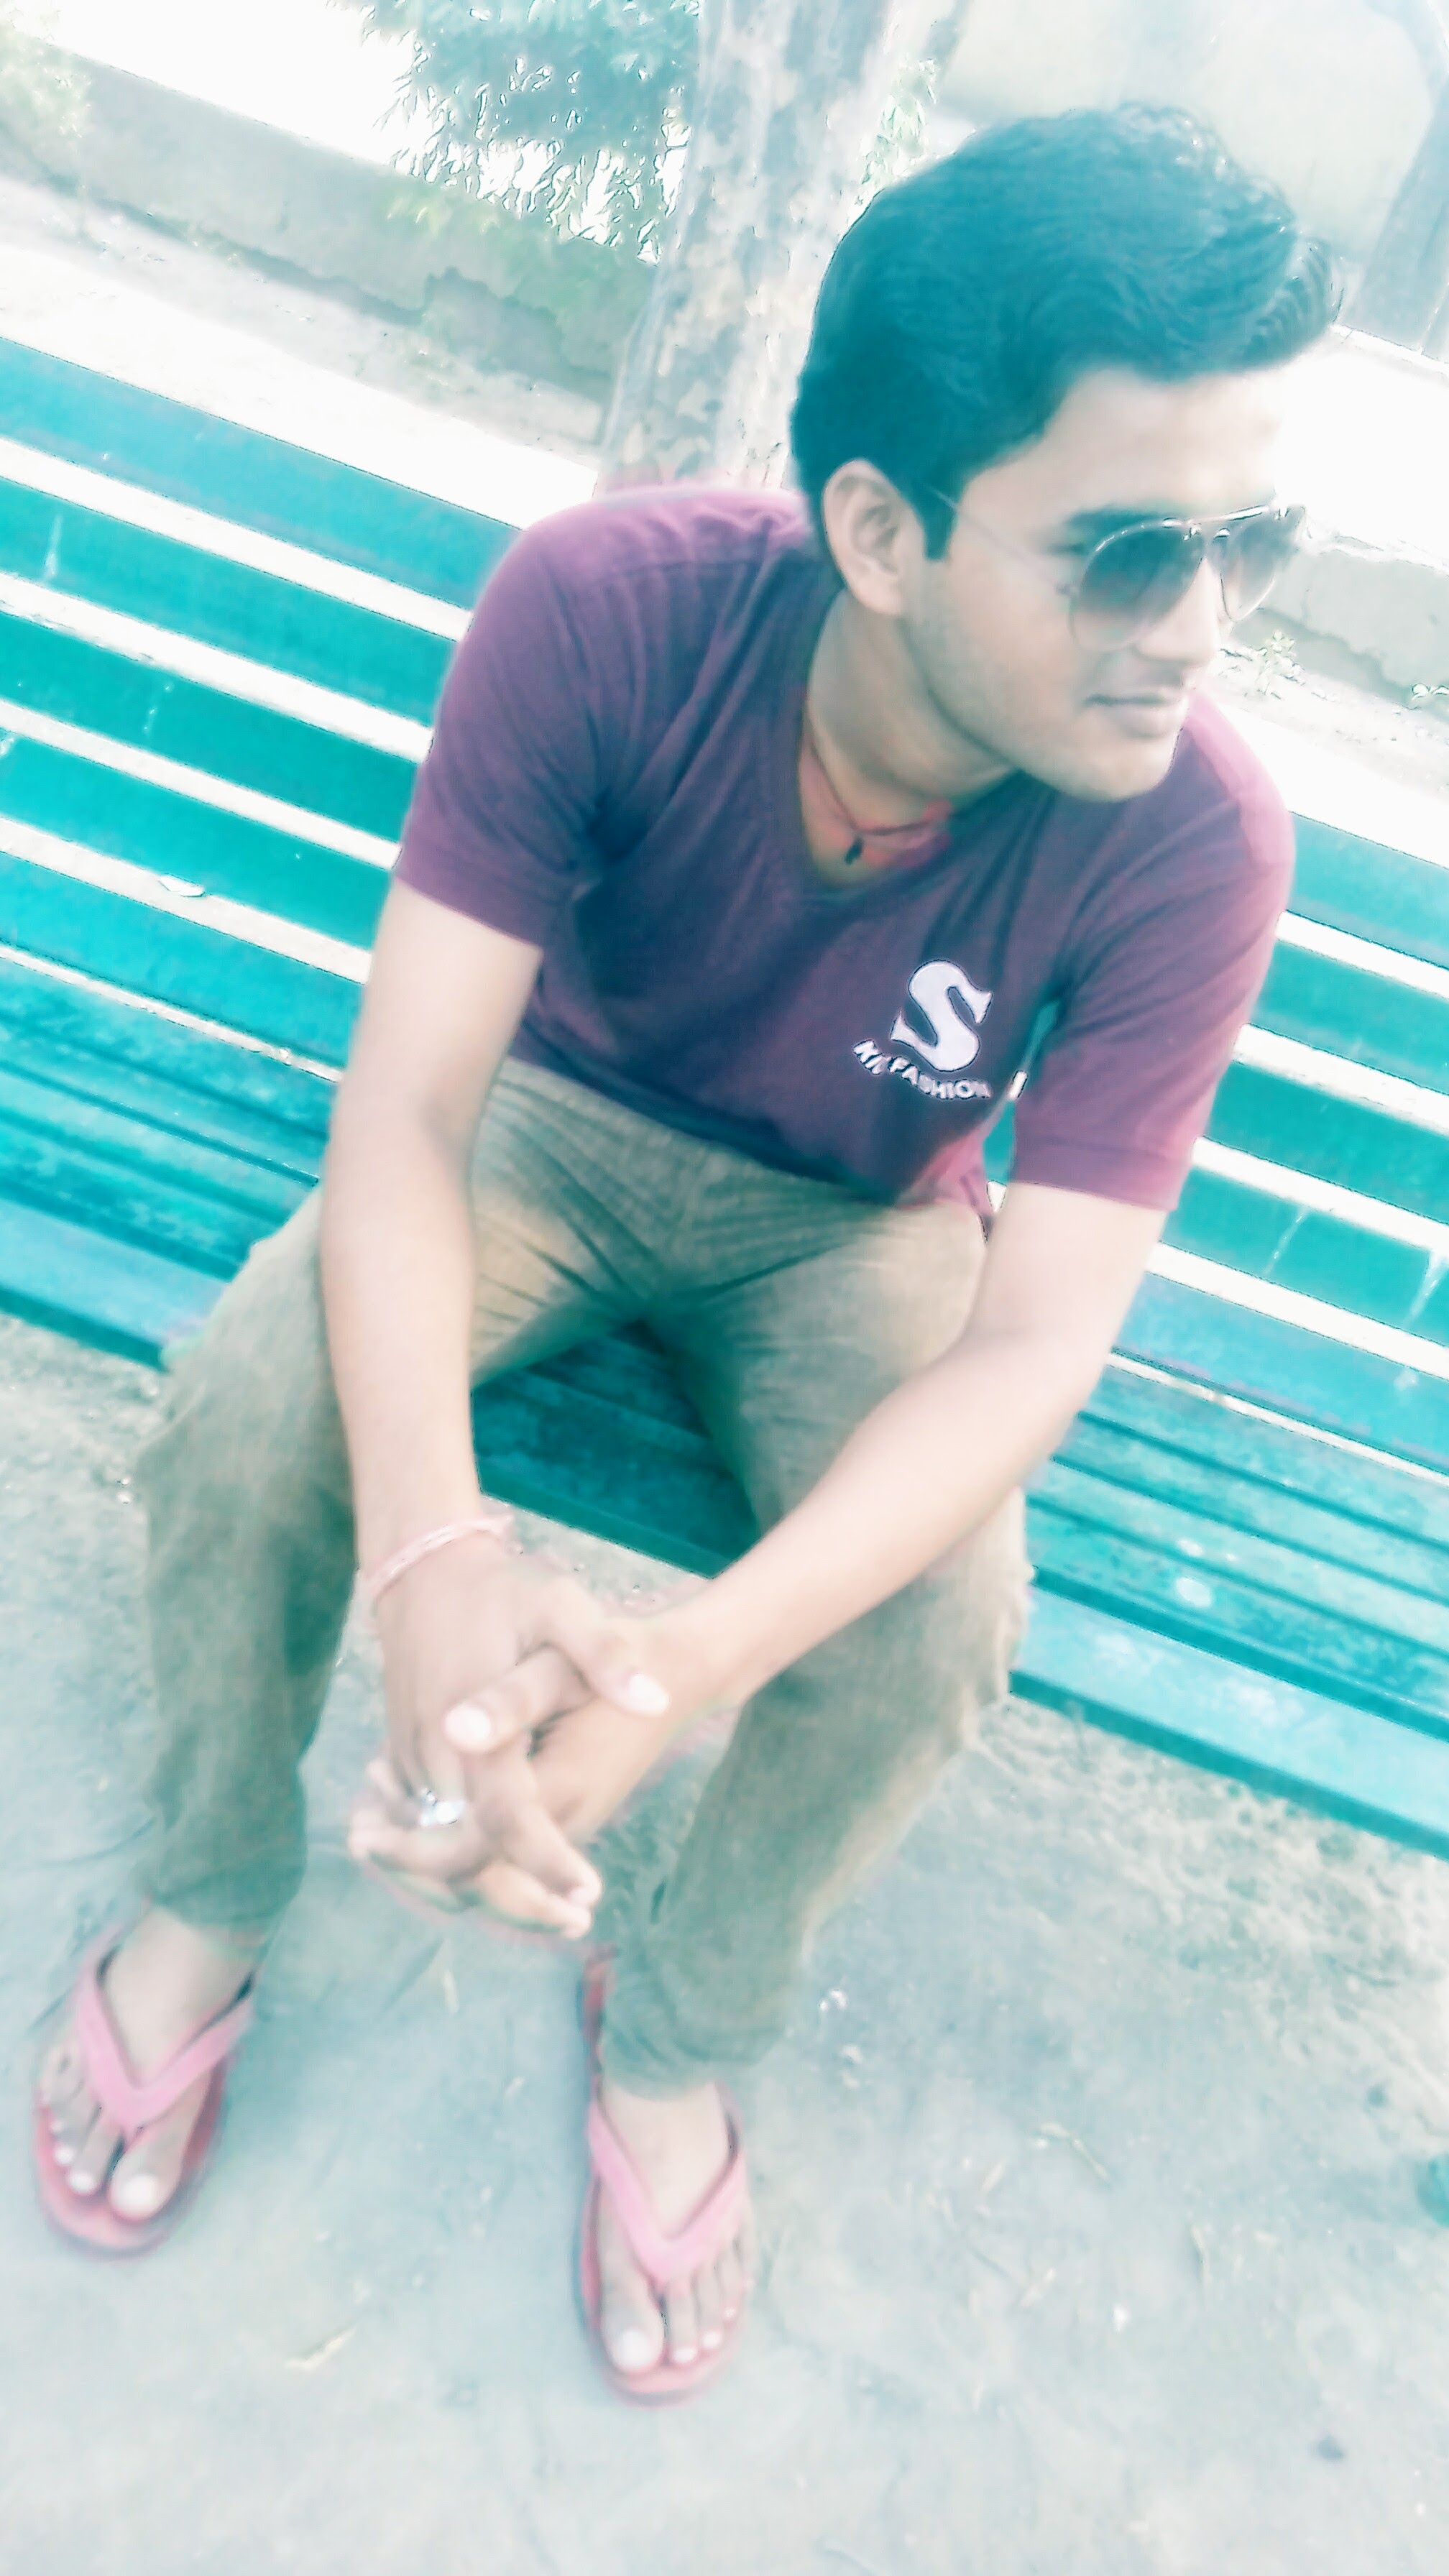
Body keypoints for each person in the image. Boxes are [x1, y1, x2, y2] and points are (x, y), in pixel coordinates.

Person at [36, 104, 1333, 2399]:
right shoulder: (615, 609)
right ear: (883, 530)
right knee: (255, 1403)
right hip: (553, 1121)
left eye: (1255, 543)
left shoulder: (1193, 836)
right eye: (1133, 553)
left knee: (939, 1613)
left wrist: (674, 1669)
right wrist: (435, 1553)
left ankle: (686, 2018)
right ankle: (216, 1881)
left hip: (856, 1227)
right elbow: (411, 1110)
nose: (1201, 629)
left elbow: (1030, 1347)